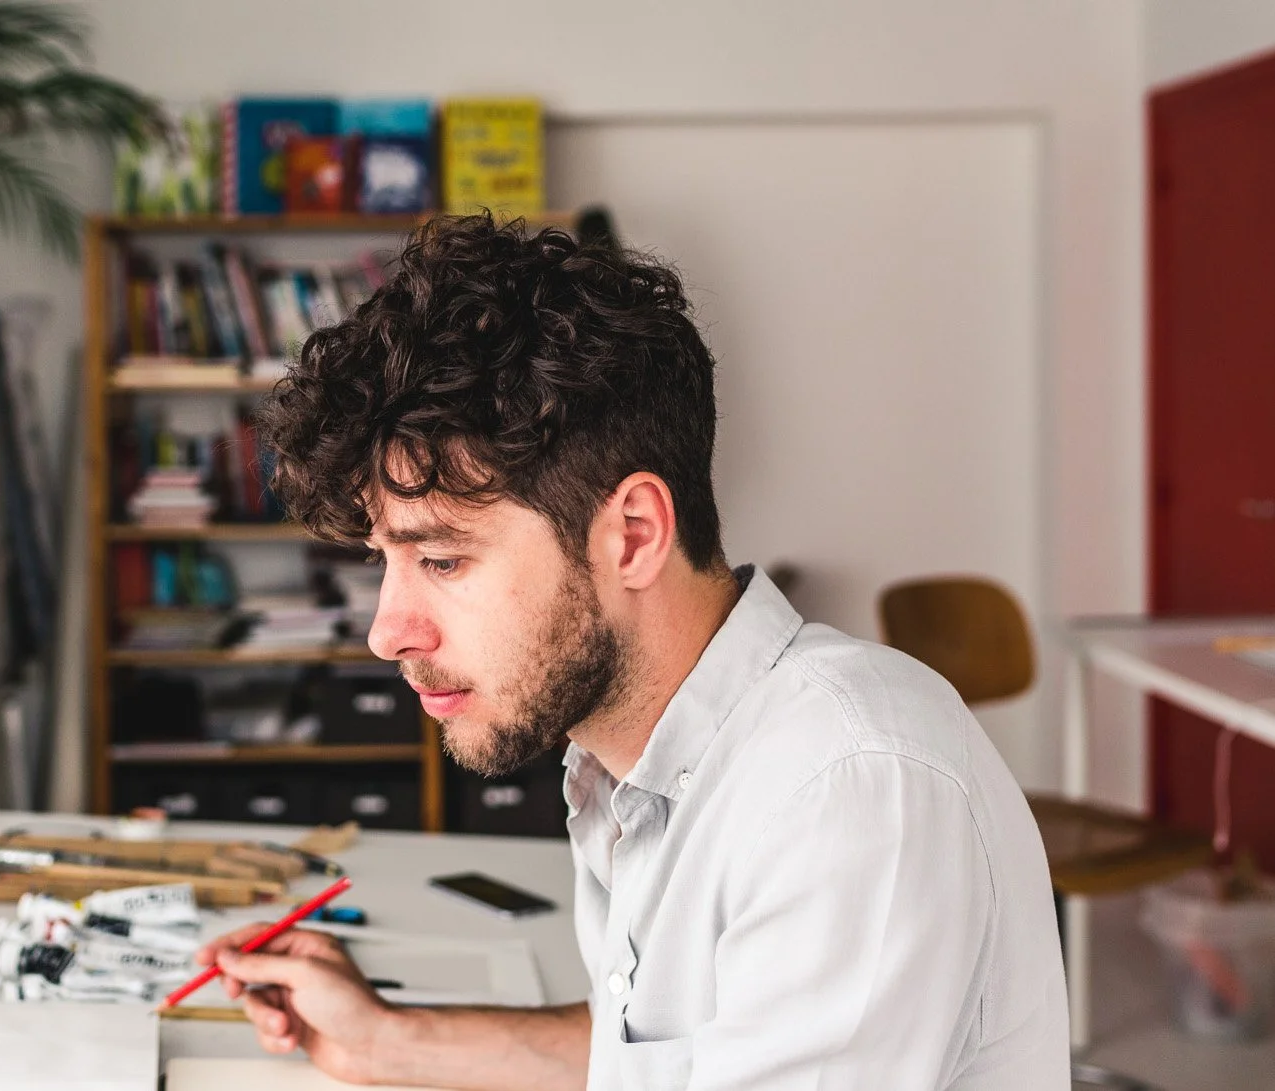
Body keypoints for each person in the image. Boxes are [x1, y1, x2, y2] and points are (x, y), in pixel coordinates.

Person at [195, 213, 1069, 1089]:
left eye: (442, 558)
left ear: (634, 533)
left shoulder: (846, 789)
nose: (388, 630)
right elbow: (668, 1058)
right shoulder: (627, 759)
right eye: (385, 561)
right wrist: (386, 1040)